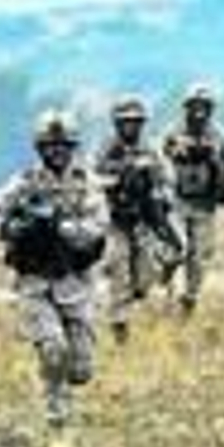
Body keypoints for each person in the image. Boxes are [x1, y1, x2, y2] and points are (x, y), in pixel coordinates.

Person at [0, 110, 107, 428]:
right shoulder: (25, 182)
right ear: (40, 148)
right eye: (50, 145)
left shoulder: (86, 183)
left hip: (76, 281)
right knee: (53, 350)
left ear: (73, 147)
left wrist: (62, 227)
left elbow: (98, 226)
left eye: (63, 145)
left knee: (81, 369)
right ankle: (57, 413)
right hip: (34, 282)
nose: (57, 151)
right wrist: (16, 227)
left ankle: (69, 385)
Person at [93, 95, 180, 343]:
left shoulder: (149, 148)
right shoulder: (105, 149)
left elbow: (166, 179)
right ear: (116, 124)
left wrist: (159, 194)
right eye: (126, 122)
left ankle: (132, 295)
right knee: (119, 266)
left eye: (136, 121)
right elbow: (93, 179)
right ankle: (119, 323)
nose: (131, 126)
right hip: (114, 219)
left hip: (143, 218)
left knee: (146, 276)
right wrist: (120, 175)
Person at [160, 84, 224, 313]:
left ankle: (189, 299)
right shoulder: (173, 131)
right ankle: (167, 276)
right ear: (186, 108)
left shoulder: (221, 136)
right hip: (178, 200)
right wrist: (181, 151)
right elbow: (163, 158)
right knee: (179, 247)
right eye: (194, 107)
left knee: (200, 255)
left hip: (206, 203)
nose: (199, 112)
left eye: (204, 107)